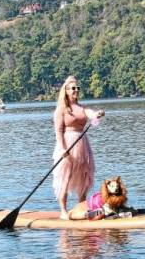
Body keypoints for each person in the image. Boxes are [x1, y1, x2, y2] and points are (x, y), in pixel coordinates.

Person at [52, 76, 105, 220]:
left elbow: (91, 114)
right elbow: (58, 131)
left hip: (82, 143)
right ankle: (63, 210)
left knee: (84, 176)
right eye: (73, 88)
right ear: (66, 91)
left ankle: (81, 207)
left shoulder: (82, 108)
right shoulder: (61, 109)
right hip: (67, 145)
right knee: (65, 177)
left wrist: (97, 114)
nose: (76, 90)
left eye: (77, 88)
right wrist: (63, 149)